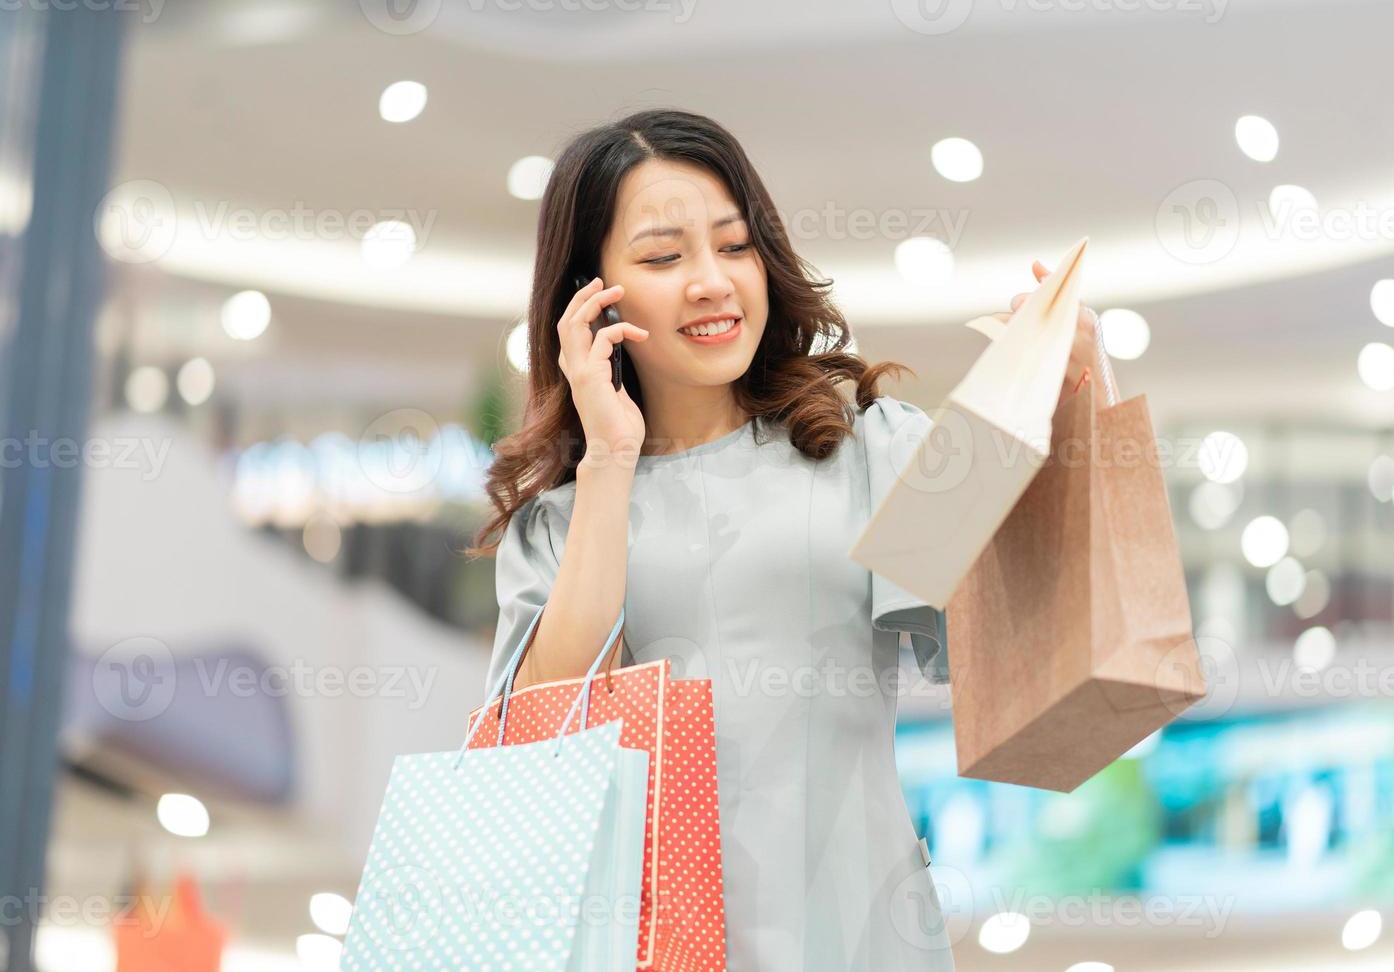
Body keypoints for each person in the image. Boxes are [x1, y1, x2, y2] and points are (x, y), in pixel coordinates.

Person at [467, 108, 1096, 971]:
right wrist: (611, 457)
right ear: (590, 295)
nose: (712, 282)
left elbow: (1014, 639)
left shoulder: (864, 445)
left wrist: (1053, 406)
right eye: (662, 257)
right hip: (650, 945)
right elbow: (547, 730)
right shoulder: (560, 527)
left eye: (734, 246)